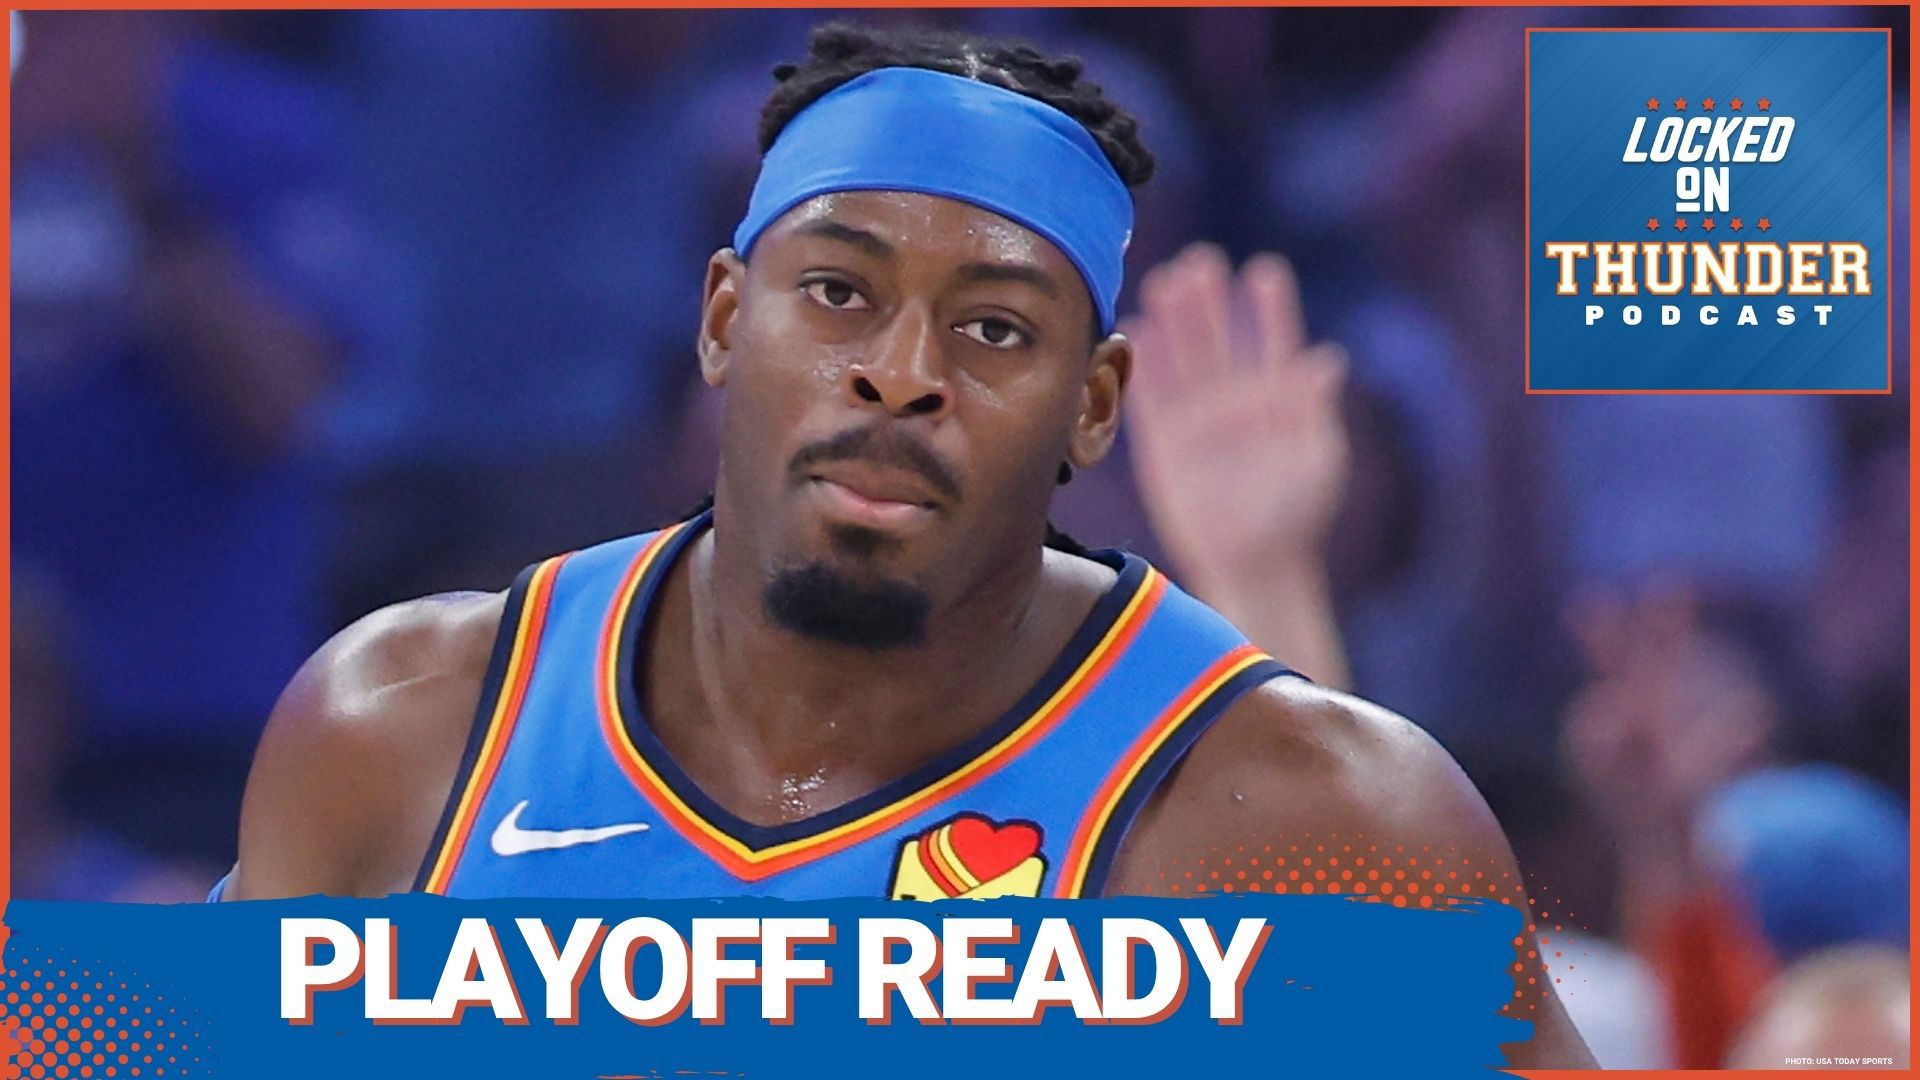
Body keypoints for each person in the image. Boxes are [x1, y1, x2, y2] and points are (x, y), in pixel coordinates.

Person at [217, 23, 1591, 1066]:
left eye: (994, 328)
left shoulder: (1316, 811)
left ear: (1094, 402)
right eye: (837, 292)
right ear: (721, 319)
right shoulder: (401, 727)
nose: (902, 373)